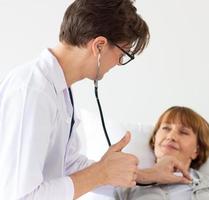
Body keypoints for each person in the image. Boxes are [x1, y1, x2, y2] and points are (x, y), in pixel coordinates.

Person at [0, 0, 191, 199]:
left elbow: (68, 165)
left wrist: (145, 175)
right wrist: (101, 172)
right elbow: (21, 196)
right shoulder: (33, 92)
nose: (118, 63)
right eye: (122, 53)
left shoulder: (60, 89)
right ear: (99, 46)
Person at [114, 106, 209, 200]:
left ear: (197, 150)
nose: (171, 136)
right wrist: (146, 176)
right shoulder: (127, 184)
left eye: (183, 132)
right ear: (154, 140)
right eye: (166, 128)